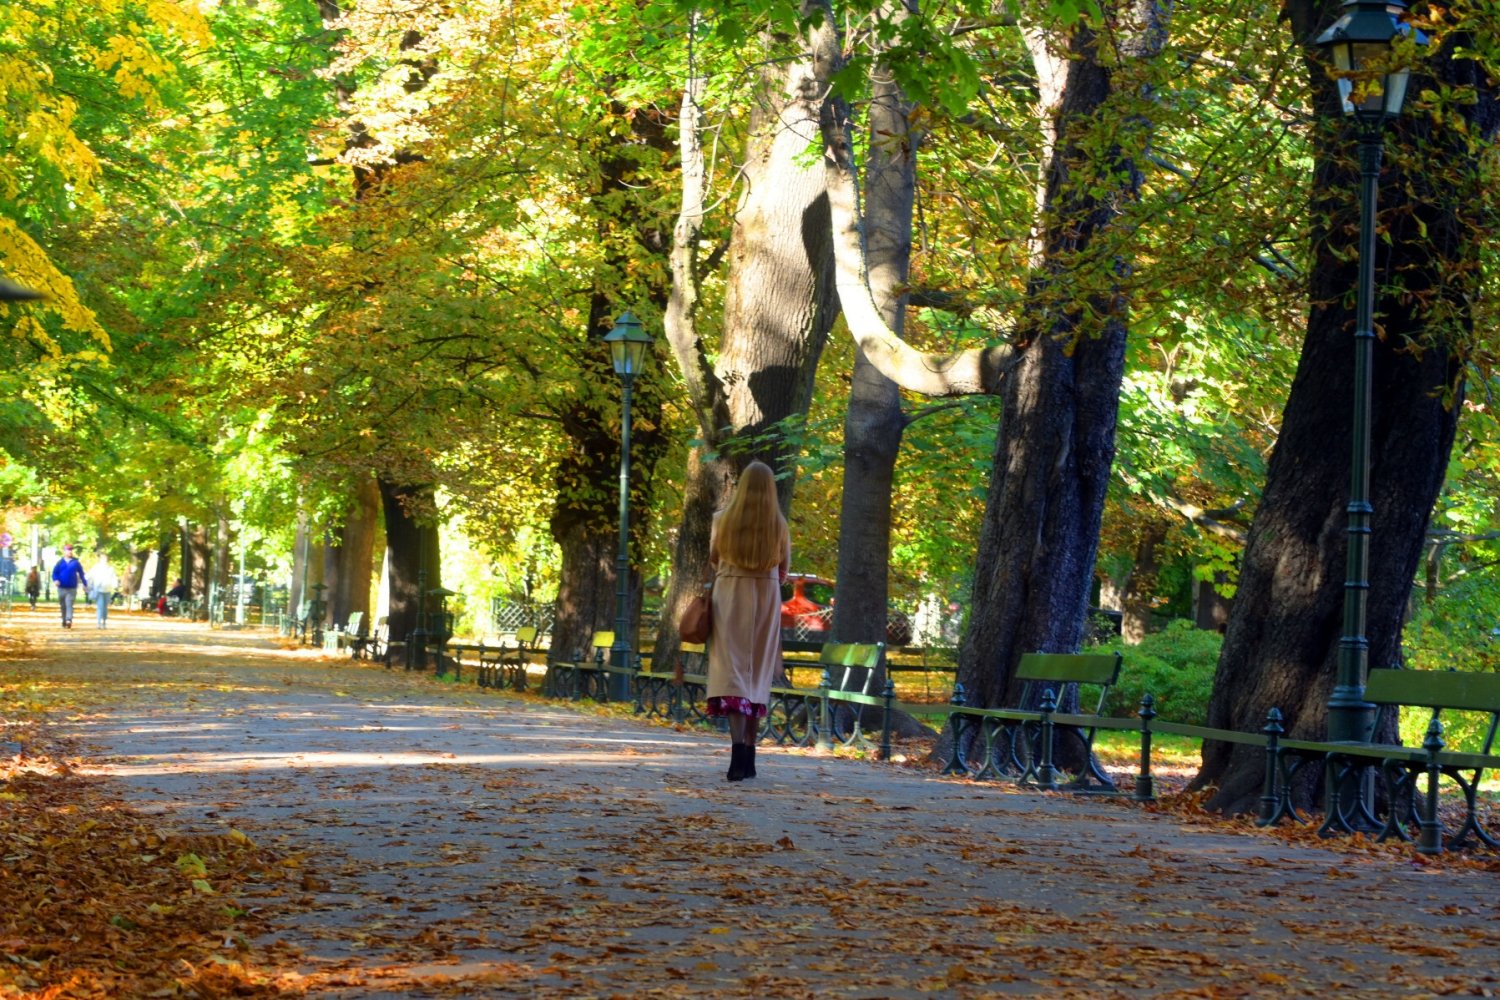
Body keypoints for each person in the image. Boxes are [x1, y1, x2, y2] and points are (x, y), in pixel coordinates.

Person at [706, 460, 791, 782]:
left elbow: (714, 558)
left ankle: (736, 754)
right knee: (757, 673)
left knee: (732, 672)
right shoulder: (778, 524)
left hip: (729, 595)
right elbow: (784, 570)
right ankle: (751, 757)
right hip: (765, 598)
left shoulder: (721, 520)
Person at [51, 545, 87, 629]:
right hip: (61, 587)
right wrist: (55, 580)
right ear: (64, 551)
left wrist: (85, 584)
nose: (70, 552)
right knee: (63, 605)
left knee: (69, 604)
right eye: (68, 550)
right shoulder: (60, 563)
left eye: (71, 550)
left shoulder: (75, 562)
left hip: (72, 588)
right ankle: (64, 620)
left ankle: (69, 620)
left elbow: (81, 574)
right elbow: (54, 573)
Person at [88, 553, 119, 629]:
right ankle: (98, 622)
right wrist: (88, 584)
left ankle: (104, 622)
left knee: (105, 607)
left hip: (107, 590)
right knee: (100, 606)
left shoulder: (110, 568)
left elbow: (114, 578)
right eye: (102, 558)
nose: (104, 560)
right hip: (99, 590)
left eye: (105, 558)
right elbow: (89, 576)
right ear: (100, 559)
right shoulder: (96, 567)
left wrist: (115, 586)